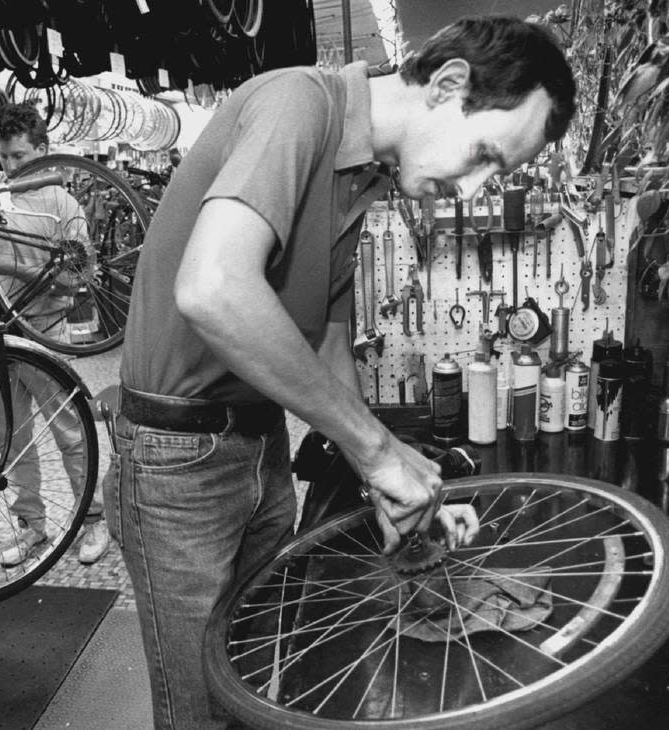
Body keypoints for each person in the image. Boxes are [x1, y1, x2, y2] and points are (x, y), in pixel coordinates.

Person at [102, 15, 576, 729]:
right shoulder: (299, 103)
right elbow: (213, 287)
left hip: (255, 444)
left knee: (257, 677)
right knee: (199, 710)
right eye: (484, 155)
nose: (477, 190)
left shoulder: (363, 173)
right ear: (447, 86)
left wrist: (376, 470)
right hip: (177, 464)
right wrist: (379, 452)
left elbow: (322, 336)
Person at [0, 102, 110, 567]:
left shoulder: (62, 202)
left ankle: (93, 521)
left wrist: (9, 265)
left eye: (20, 156)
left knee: (71, 436)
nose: (11, 166)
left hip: (45, 331)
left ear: (43, 149)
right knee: (10, 441)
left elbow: (83, 277)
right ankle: (31, 528)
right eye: (4, 156)